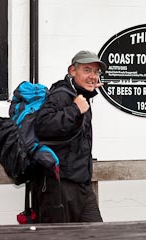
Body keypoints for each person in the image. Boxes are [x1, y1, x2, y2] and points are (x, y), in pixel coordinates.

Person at [33, 50, 107, 223]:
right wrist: (74, 109)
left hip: (81, 184)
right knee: (61, 235)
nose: (93, 76)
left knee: (97, 233)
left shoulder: (79, 96)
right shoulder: (61, 94)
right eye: (87, 70)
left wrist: (86, 95)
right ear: (72, 71)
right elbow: (43, 125)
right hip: (60, 185)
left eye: (96, 72)